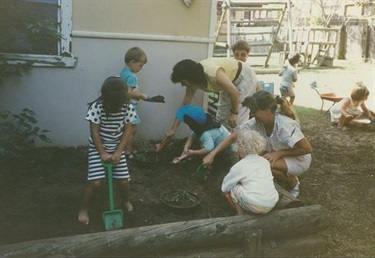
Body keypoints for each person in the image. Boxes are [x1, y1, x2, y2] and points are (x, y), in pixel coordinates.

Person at [203, 90, 312, 198]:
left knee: (262, 165)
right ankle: (275, 175)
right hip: (278, 154)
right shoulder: (256, 122)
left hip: (298, 158)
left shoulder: (285, 126)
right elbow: (233, 137)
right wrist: (212, 154)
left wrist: (279, 154)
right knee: (253, 158)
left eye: (255, 111)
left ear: (267, 110)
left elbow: (307, 149)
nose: (252, 114)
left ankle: (292, 182)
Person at [159, 57, 258, 150]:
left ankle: (240, 151)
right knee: (222, 119)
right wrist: (173, 129)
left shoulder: (212, 73)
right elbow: (184, 105)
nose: (182, 85)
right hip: (229, 82)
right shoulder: (193, 83)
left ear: (189, 77)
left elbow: (234, 92)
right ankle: (224, 149)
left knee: (237, 122)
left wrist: (234, 113)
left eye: (182, 81)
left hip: (243, 77)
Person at [78, 76, 136, 225]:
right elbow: (94, 132)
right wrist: (103, 153)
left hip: (117, 148)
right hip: (98, 148)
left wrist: (118, 152)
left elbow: (127, 131)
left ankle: (125, 201)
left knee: (123, 182)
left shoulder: (127, 107)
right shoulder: (97, 107)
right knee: (96, 182)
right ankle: (83, 209)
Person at [120, 47, 165, 158]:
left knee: (130, 128)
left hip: (124, 105)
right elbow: (128, 93)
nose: (141, 69)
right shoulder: (131, 76)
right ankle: (127, 150)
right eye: (140, 65)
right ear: (132, 62)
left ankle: (126, 148)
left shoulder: (123, 72)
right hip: (130, 105)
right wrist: (140, 95)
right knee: (131, 129)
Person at [221, 129, 279, 215]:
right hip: (271, 202)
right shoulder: (265, 162)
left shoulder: (239, 166)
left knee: (234, 188)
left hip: (255, 204)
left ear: (239, 147)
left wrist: (226, 192)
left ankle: (240, 215)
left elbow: (225, 187)